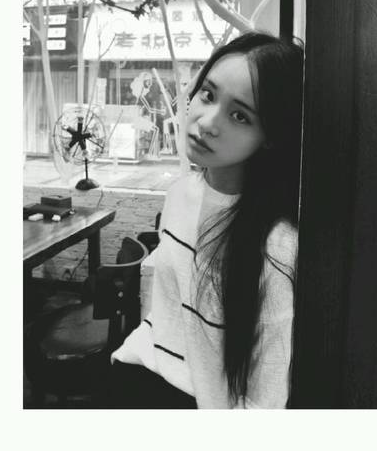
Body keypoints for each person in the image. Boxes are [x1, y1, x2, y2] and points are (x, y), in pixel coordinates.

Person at [110, 31, 304, 409]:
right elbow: (166, 313)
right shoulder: (181, 194)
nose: (208, 122)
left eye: (240, 115)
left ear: (270, 136)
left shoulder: (278, 244)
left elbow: (266, 399)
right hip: (137, 374)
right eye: (208, 95)